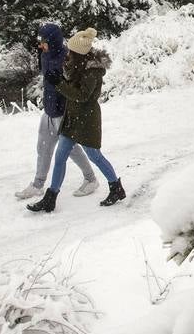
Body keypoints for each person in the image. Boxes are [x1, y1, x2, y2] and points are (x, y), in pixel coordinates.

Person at [27, 27, 127, 212]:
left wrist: (59, 83)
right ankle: (51, 197)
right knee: (60, 156)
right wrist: (58, 75)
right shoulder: (76, 63)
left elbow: (81, 95)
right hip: (72, 117)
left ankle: (116, 187)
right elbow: (69, 79)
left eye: (72, 51)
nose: (68, 54)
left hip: (87, 119)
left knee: (94, 155)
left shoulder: (92, 71)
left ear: (79, 53)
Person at [16, 22, 98, 200]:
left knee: (71, 150)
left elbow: (74, 86)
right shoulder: (45, 55)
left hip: (63, 112)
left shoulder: (67, 57)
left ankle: (91, 179)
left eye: (43, 41)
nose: (40, 45)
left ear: (52, 41)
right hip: (49, 110)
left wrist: (62, 86)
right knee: (43, 147)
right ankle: (38, 184)